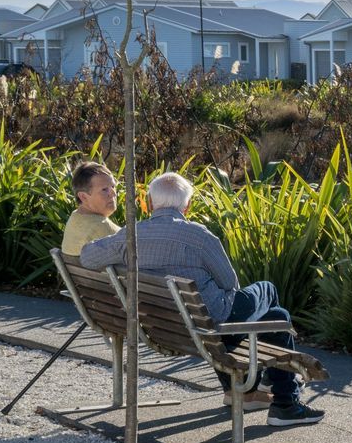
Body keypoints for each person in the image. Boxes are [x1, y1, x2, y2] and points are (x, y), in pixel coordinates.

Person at [79, 171, 323, 425]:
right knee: (268, 291)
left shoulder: (130, 235)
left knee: (278, 317)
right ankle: (283, 402)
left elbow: (87, 258)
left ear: (149, 203)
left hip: (166, 326)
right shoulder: (200, 237)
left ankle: (259, 392)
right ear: (187, 205)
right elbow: (230, 283)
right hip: (211, 324)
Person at [62, 161, 119, 256]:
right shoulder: (102, 229)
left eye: (113, 186)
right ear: (83, 197)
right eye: (104, 189)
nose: (113, 193)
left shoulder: (74, 219)